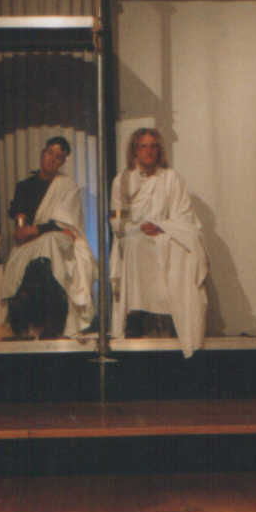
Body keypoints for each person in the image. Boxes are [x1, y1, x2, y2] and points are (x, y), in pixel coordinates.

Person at [109, 128, 208, 357]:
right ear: (135, 150)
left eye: (153, 146)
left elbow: (184, 216)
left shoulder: (172, 178)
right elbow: (117, 220)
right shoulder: (122, 180)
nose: (149, 151)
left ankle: (171, 316)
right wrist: (139, 228)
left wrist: (162, 227)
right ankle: (137, 315)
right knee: (135, 244)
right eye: (143, 146)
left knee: (182, 248)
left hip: (166, 232)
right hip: (134, 233)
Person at [1, 137, 95, 338]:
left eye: (58, 157)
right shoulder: (25, 186)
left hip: (59, 239)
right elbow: (21, 222)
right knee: (40, 248)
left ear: (63, 162)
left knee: (50, 241)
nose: (52, 159)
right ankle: (31, 318)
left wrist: (36, 230)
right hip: (29, 242)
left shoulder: (67, 186)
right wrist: (24, 229)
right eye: (50, 153)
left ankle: (54, 320)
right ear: (43, 153)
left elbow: (66, 224)